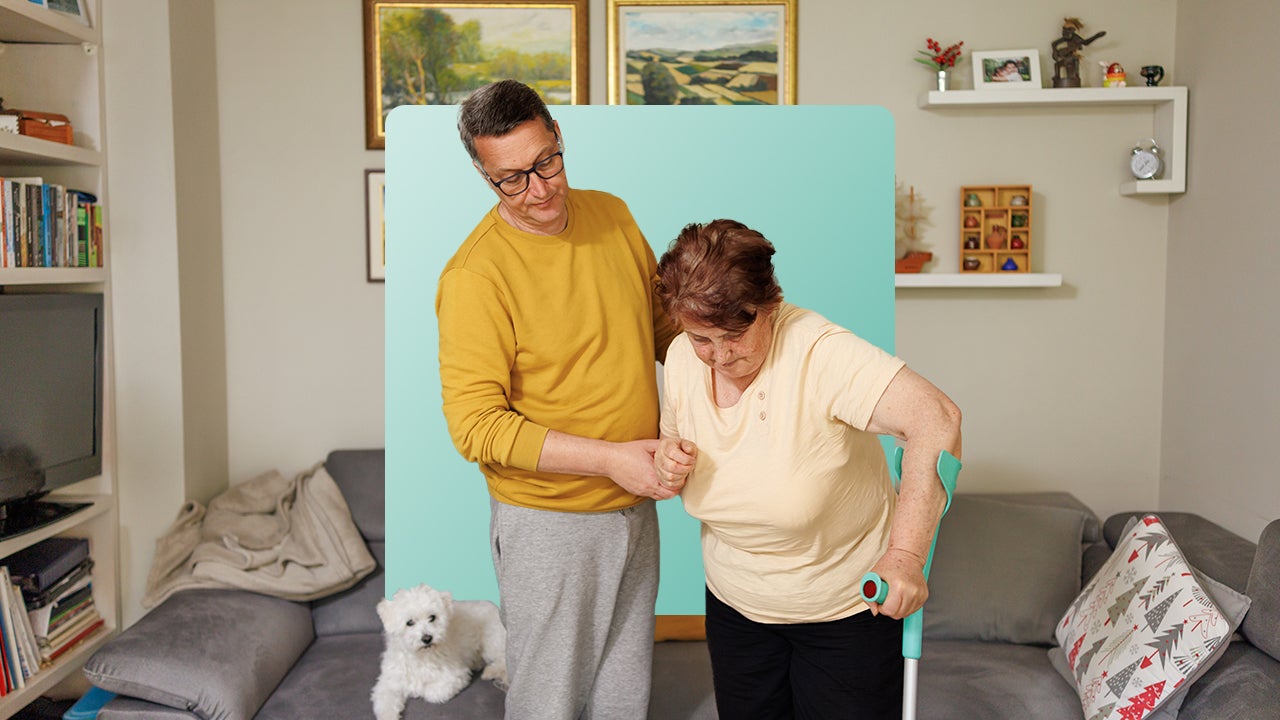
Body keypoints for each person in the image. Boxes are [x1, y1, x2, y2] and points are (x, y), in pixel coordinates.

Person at [436, 79, 681, 719]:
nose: (538, 190)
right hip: (549, 521)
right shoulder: (475, 276)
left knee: (622, 695)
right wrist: (611, 459)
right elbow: (476, 426)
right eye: (511, 180)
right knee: (549, 703)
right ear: (484, 175)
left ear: (558, 137)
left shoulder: (614, 216)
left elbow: (664, 332)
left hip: (636, 504)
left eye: (546, 163)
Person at [653, 219, 962, 719]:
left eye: (734, 335)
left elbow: (937, 418)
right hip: (735, 608)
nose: (719, 356)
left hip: (845, 612)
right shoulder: (683, 359)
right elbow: (678, 443)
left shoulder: (820, 353)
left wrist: (906, 555)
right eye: (701, 338)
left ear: (770, 305)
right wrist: (669, 460)